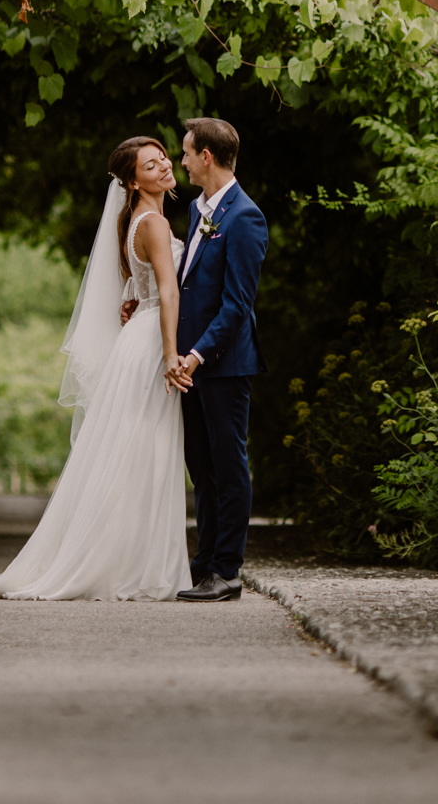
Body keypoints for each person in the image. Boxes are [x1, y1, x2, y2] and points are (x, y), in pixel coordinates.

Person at [0, 136, 190, 601]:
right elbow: (166, 293)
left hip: (134, 341)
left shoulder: (136, 221)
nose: (163, 166)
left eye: (163, 157)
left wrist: (136, 315)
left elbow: (136, 290)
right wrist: (170, 354)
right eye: (150, 163)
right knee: (148, 452)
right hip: (149, 348)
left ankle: (135, 563)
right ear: (130, 179)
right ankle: (139, 567)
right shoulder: (155, 224)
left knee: (136, 453)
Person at [167, 117, 267, 602]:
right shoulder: (197, 210)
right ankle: (203, 563)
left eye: (186, 152)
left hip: (223, 365)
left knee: (229, 467)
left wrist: (198, 354)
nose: (180, 160)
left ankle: (227, 571)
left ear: (206, 156)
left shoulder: (245, 217)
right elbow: (188, 284)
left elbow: (237, 304)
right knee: (201, 468)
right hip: (190, 365)